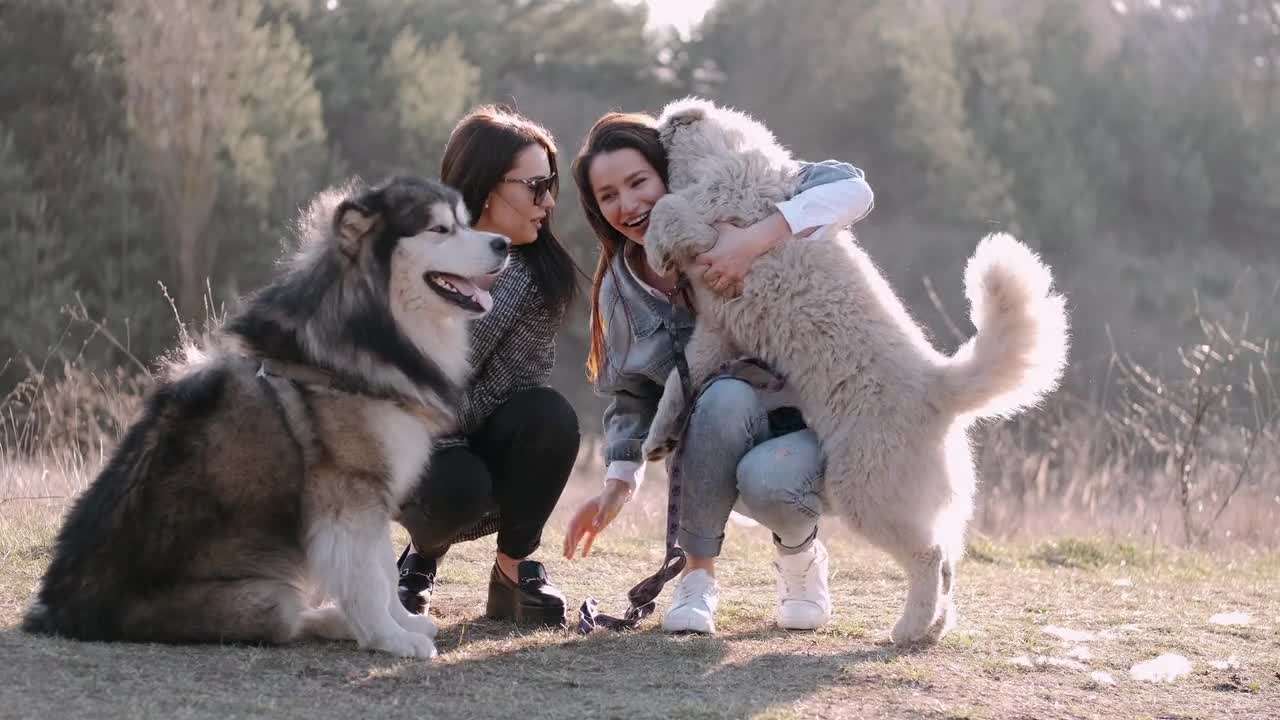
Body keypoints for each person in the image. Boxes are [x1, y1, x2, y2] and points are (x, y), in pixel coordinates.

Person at [562, 111, 874, 634]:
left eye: (639, 182)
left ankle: (800, 559)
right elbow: (633, 392)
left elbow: (854, 190)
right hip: (711, 436)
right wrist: (618, 481)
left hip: (805, 424)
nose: (629, 205)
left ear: (670, 172)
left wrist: (755, 239)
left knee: (767, 474)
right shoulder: (622, 288)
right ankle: (696, 580)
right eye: (608, 195)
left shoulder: (747, 199)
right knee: (722, 395)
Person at [395, 106, 582, 627]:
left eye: (551, 186)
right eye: (535, 186)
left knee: (549, 417)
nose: (547, 202)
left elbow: (516, 387)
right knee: (457, 484)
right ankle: (418, 560)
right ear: (484, 184)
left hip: (471, 429)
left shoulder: (539, 278)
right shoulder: (410, 257)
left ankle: (513, 570)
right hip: (399, 445)